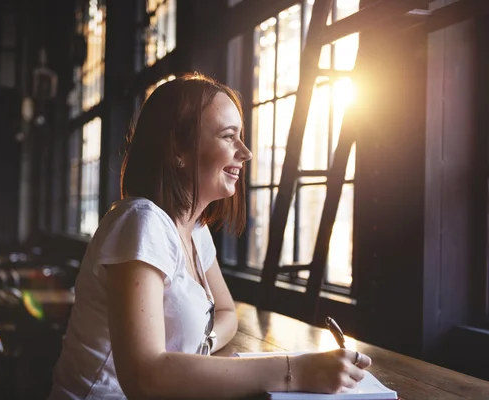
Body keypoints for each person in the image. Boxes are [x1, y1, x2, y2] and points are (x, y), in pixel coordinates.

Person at [48, 73, 372, 399]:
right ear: (178, 148)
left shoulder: (195, 229)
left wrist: (197, 353)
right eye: (228, 136)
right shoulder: (141, 222)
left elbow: (226, 313)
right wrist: (296, 370)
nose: (245, 152)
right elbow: (144, 378)